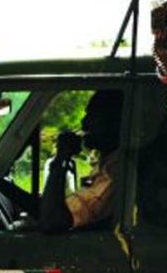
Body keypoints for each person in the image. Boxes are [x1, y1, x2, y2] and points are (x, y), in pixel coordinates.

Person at [40, 90, 123, 232]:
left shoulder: (115, 170)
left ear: (115, 122)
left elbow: (52, 220)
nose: (84, 123)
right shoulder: (107, 163)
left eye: (93, 116)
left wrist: (61, 159)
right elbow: (48, 210)